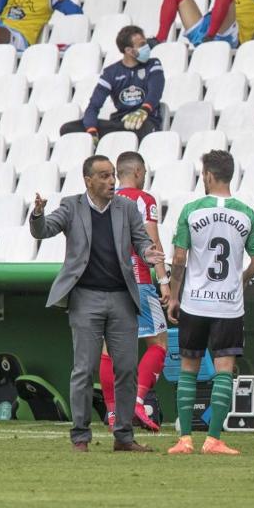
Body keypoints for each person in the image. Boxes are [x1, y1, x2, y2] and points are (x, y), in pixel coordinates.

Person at [29, 155, 165, 453]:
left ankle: (124, 437)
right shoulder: (71, 206)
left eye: (112, 175)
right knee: (84, 368)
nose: (111, 181)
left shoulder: (126, 208)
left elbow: (141, 240)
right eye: (103, 176)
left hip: (122, 298)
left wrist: (147, 254)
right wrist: (38, 214)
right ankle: (80, 436)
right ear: (87, 180)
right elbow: (43, 231)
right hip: (86, 298)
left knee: (127, 368)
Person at [166, 150, 254, 456]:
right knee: (224, 370)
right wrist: (240, 279)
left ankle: (184, 441)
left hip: (195, 302)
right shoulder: (247, 214)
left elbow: (180, 258)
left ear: (207, 175)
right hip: (228, 305)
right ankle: (213, 439)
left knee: (188, 370)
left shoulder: (192, 211)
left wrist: (173, 294)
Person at [98, 151, 172, 433]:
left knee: (108, 351)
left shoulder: (104, 200)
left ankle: (114, 413)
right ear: (139, 172)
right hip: (138, 281)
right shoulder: (144, 200)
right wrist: (163, 280)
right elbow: (152, 242)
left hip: (107, 284)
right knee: (159, 344)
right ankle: (138, 401)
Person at [60, 25, 165, 140]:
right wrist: (92, 131)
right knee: (68, 129)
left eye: (145, 43)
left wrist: (143, 110)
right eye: (142, 45)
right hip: (120, 123)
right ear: (129, 51)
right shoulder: (111, 72)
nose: (147, 47)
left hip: (145, 121)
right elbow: (93, 106)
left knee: (142, 127)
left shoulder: (153, 64)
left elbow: (155, 92)